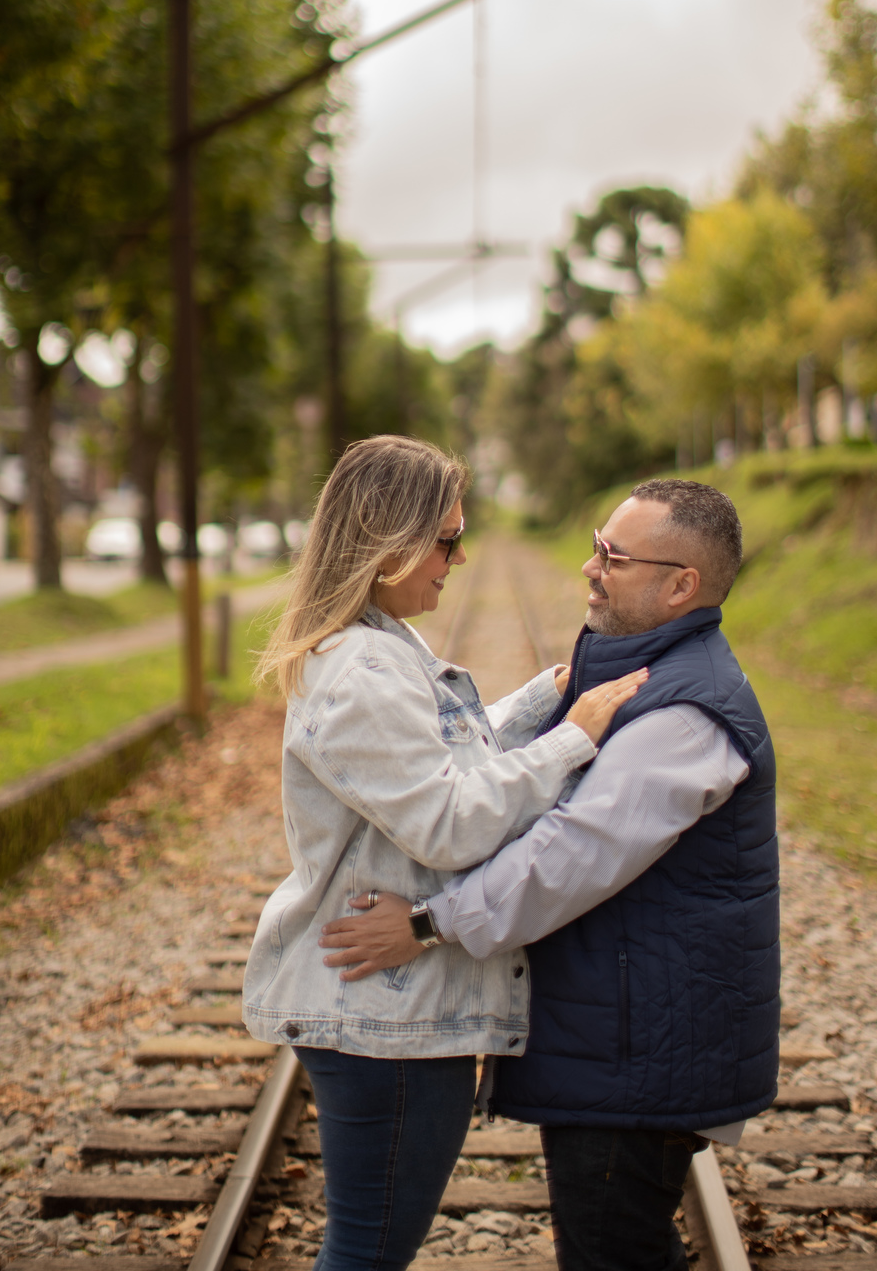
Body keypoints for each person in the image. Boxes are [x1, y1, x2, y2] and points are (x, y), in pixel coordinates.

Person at [319, 477, 780, 1271]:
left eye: (614, 556)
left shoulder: (683, 716)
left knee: (615, 1251)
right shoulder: (637, 676)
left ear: (681, 587)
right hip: (622, 1031)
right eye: (598, 545)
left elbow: (567, 856)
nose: (589, 567)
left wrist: (428, 925)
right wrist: (554, 701)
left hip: (639, 1050)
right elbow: (469, 773)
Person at [243, 435, 647, 1271]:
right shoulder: (362, 669)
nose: (459, 560)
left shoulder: (380, 643)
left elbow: (444, 760)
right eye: (447, 540)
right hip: (385, 1024)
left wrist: (549, 694)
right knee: (366, 1252)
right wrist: (572, 739)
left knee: (368, 1244)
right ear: (389, 544)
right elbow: (451, 822)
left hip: (388, 1014)